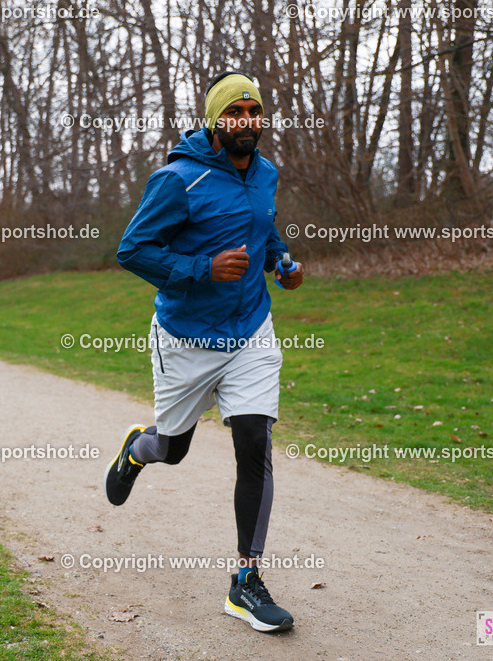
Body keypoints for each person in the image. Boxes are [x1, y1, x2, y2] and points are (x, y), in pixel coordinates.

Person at [106, 72, 305, 634]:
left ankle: (246, 581)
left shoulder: (265, 174)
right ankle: (136, 450)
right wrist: (201, 269)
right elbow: (133, 250)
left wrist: (281, 263)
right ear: (216, 121)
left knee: (254, 439)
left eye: (255, 111)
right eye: (235, 112)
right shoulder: (177, 179)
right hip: (186, 338)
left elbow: (262, 231)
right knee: (174, 448)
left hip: (250, 331)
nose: (247, 121)